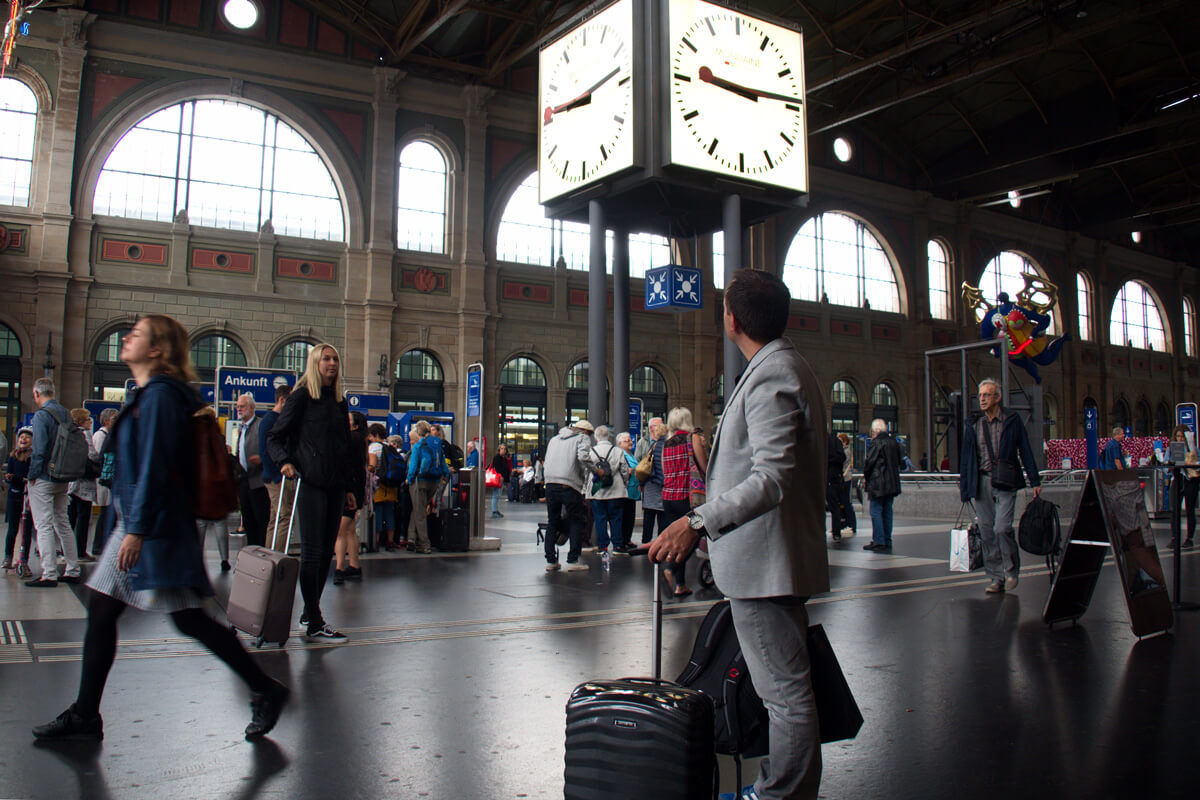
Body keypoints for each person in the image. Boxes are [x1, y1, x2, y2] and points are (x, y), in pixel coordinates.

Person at [32, 314, 288, 742]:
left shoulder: (162, 398)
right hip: (144, 523)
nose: (127, 337)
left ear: (156, 350)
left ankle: (264, 688)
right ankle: (85, 713)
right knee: (112, 611)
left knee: (188, 619)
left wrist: (136, 529)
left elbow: (155, 465)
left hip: (152, 528)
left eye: (137, 333)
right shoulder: (153, 394)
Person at [649, 268, 829, 800]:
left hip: (766, 565)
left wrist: (698, 519)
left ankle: (780, 795)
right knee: (785, 689)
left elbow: (772, 477)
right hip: (769, 562)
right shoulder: (780, 367)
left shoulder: (773, 374)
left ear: (730, 318)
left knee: (786, 694)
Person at [266, 343, 357, 643]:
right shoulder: (302, 397)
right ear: (315, 363)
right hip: (312, 483)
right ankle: (314, 619)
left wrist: (350, 489)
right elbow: (275, 437)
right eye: (326, 359)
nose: (332, 363)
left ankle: (311, 612)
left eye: (335, 358)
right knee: (313, 553)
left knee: (324, 552)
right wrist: (285, 462)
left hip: (335, 485)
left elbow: (343, 447)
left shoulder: (338, 401)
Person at [959, 378, 1042, 594]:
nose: (983, 399)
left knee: (1002, 528)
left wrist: (1035, 480)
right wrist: (965, 488)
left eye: (987, 395)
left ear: (998, 397)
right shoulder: (974, 424)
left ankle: (1011, 570)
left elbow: (1025, 449)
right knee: (987, 531)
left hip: (1006, 480)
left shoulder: (1011, 421)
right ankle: (996, 577)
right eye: (981, 395)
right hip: (982, 481)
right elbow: (967, 458)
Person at [25, 377, 82, 588]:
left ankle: (49, 573)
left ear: (37, 394)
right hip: (63, 476)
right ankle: (73, 569)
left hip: (44, 477)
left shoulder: (41, 416)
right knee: (62, 522)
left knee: (43, 525)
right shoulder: (65, 413)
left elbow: (39, 450)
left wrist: (32, 476)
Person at [660, 408, 708, 596]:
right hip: (688, 499)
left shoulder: (667, 443)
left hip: (668, 498)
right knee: (694, 535)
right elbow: (703, 466)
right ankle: (670, 568)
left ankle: (680, 585)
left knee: (677, 539)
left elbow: (665, 471)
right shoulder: (692, 437)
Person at [542, 419, 594, 572]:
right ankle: (573, 559)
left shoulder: (554, 439)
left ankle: (551, 561)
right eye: (590, 435)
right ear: (585, 432)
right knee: (577, 520)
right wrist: (596, 471)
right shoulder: (582, 438)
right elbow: (584, 457)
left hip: (550, 484)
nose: (589, 438)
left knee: (552, 521)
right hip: (569, 485)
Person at [258, 384, 295, 552]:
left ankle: (270, 552)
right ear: (282, 399)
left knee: (276, 518)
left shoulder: (270, 420)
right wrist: (278, 476)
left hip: (274, 476)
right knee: (284, 517)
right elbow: (265, 451)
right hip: (278, 477)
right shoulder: (271, 421)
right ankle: (277, 554)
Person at [586, 425, 633, 556]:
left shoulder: (591, 452)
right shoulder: (617, 451)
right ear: (609, 436)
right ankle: (618, 545)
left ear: (596, 438)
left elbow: (586, 471)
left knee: (600, 518)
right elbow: (624, 470)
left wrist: (586, 487)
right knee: (616, 518)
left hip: (596, 491)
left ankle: (603, 547)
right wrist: (625, 483)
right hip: (616, 490)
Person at [333, 411, 368, 584]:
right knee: (350, 529)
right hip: (356, 488)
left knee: (340, 530)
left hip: (349, 489)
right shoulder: (360, 441)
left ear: (355, 425)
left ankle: (339, 568)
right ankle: (354, 565)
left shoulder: (350, 440)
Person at [407, 420, 449, 554]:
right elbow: (442, 463)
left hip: (421, 482)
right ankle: (412, 538)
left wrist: (409, 479)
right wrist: (446, 474)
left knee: (420, 515)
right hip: (434, 482)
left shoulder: (419, 446)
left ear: (418, 432)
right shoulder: (436, 444)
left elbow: (413, 465)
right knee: (419, 509)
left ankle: (424, 544)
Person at [234, 393, 269, 548]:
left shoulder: (260, 426)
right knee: (248, 520)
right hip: (244, 480)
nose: (238, 409)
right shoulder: (242, 428)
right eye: (237, 407)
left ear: (252, 408)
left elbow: (269, 448)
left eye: (242, 406)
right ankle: (252, 551)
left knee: (260, 520)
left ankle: (261, 550)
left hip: (258, 481)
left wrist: (262, 459)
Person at [861, 419, 902, 552]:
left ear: (875, 430)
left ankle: (878, 540)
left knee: (876, 511)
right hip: (892, 482)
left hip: (878, 483)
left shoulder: (876, 443)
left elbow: (869, 463)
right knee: (887, 511)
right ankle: (887, 539)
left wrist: (866, 478)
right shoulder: (893, 442)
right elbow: (900, 462)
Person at [67, 408, 99, 562]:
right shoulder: (85, 434)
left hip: (71, 481)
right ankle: (80, 551)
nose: (90, 422)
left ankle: (65, 551)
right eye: (88, 419)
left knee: (70, 518)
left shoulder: (69, 434)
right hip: (84, 482)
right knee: (84, 518)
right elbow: (92, 454)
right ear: (81, 421)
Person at [4, 427, 35, 574]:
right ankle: (8, 557)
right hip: (14, 497)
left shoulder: (32, 459)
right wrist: (11, 478)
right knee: (12, 528)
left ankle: (23, 560)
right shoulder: (13, 457)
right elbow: (11, 476)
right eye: (21, 437)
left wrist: (19, 479)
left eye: (27, 437)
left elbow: (29, 478)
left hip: (27, 498)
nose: (23, 439)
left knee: (26, 531)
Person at [367, 423, 400, 551]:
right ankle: (390, 541)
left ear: (375, 435)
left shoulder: (373, 447)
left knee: (378, 512)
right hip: (391, 485)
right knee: (389, 512)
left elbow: (372, 466)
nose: (369, 438)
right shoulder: (390, 446)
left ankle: (376, 541)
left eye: (370, 435)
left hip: (379, 485)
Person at [91, 408, 118, 556]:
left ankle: (102, 544)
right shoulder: (101, 436)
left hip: (106, 479)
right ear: (106, 420)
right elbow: (101, 457)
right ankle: (99, 544)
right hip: (104, 478)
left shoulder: (107, 435)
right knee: (105, 513)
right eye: (113, 418)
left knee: (107, 512)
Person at [1167, 425, 1196, 550]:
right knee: (1174, 510)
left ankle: (1189, 538)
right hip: (1177, 479)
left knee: (1190, 509)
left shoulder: (1193, 449)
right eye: (1178, 436)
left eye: (1182, 437)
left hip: (1190, 480)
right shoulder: (1171, 448)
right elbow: (1166, 464)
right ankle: (1174, 537)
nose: (1180, 439)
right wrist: (1171, 464)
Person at [639, 418, 667, 544]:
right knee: (661, 517)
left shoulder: (654, 445)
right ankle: (660, 543)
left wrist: (642, 482)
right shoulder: (665, 444)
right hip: (660, 485)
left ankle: (646, 542)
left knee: (649, 517)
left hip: (650, 484)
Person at [616, 431, 641, 552]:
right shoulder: (620, 455)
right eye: (627, 441)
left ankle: (627, 539)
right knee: (624, 516)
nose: (630, 442)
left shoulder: (631, 455)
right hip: (624, 491)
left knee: (630, 516)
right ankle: (622, 540)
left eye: (630, 440)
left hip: (633, 491)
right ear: (620, 443)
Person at [826, 430, 846, 542]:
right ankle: (836, 532)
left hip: (824, 476)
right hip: (834, 477)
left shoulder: (820, 440)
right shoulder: (836, 441)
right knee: (835, 506)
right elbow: (842, 458)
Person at [836, 432, 856, 538]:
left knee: (845, 502)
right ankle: (844, 523)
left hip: (845, 478)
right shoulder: (845, 451)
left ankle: (850, 524)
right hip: (845, 477)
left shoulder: (846, 451)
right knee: (843, 502)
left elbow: (843, 464)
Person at [490, 444, 512, 518]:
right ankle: (494, 511)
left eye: (504, 449)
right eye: (502, 449)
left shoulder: (504, 459)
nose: (503, 450)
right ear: (499, 450)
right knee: (495, 495)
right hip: (498, 479)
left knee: (498, 495)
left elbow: (507, 470)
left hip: (502, 479)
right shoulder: (497, 458)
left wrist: (507, 481)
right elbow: (497, 468)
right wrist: (500, 476)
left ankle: (496, 510)